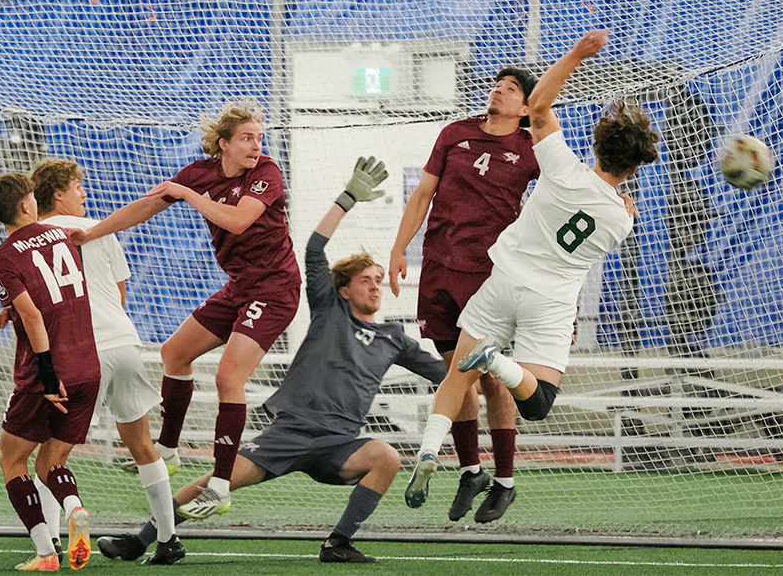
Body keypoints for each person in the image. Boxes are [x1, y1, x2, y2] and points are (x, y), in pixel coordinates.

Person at [95, 157, 448, 564]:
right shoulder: (329, 308)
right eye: (364, 280)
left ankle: (337, 544)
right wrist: (348, 199)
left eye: (377, 280)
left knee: (386, 458)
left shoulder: (396, 339)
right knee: (214, 481)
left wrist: (491, 366)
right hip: (289, 434)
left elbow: (449, 375)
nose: (375, 285)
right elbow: (315, 246)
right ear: (344, 290)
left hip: (340, 443)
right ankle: (141, 541)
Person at [404, 29, 660, 510]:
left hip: (499, 283)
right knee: (537, 402)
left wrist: (578, 55)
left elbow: (540, 105)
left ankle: (428, 451)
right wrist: (625, 206)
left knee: (455, 377)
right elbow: (610, 200)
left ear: (598, 147)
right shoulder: (619, 220)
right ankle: (497, 364)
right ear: (633, 168)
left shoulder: (560, 165)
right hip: (548, 304)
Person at [70, 99, 302, 519]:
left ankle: (219, 485)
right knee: (174, 354)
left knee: (230, 377)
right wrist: (90, 233)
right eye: (247, 138)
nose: (256, 145)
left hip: (275, 289)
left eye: (259, 138)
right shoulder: (201, 174)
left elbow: (237, 221)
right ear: (224, 144)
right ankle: (169, 447)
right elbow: (147, 204)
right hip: (239, 287)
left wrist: (189, 195)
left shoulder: (265, 172)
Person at [0, 158, 184, 565]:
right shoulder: (95, 229)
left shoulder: (23, 244)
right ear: (53, 195)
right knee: (143, 446)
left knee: (45, 455)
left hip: (72, 353)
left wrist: (11, 309)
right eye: (78, 185)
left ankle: (51, 544)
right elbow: (119, 292)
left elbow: (37, 304)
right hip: (124, 344)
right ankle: (167, 540)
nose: (85, 192)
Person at [389, 67, 539, 523]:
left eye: (511, 89)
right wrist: (398, 248)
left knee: (485, 376)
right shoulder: (455, 133)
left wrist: (616, 196)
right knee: (458, 375)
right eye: (498, 84)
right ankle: (473, 471)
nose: (499, 89)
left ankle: (505, 480)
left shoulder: (532, 150)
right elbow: (422, 195)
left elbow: (574, 187)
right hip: (437, 270)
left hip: (488, 277)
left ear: (526, 108)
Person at [0, 173, 100, 571]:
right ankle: (73, 507)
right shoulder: (61, 235)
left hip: (46, 375)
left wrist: (47, 374)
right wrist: (9, 310)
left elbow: (33, 313)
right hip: (88, 367)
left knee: (12, 460)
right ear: (28, 205)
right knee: (52, 464)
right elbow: (52, 293)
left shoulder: (1, 258)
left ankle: (47, 554)